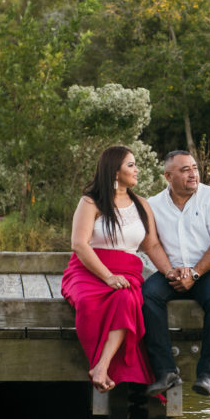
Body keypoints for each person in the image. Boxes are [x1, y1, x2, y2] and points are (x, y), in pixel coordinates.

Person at [61, 145, 174, 393]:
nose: (137, 170)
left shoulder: (142, 205)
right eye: (131, 165)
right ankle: (101, 364)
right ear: (114, 172)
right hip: (88, 270)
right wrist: (108, 276)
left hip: (127, 272)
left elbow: (152, 245)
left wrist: (170, 272)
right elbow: (79, 244)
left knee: (126, 298)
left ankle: (101, 366)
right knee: (89, 304)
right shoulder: (91, 202)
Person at [143, 150, 210, 397]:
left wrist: (194, 274)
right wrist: (170, 272)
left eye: (194, 168)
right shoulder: (153, 205)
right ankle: (165, 371)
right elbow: (151, 245)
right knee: (147, 295)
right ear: (168, 176)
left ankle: (207, 374)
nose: (193, 174)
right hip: (172, 270)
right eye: (185, 170)